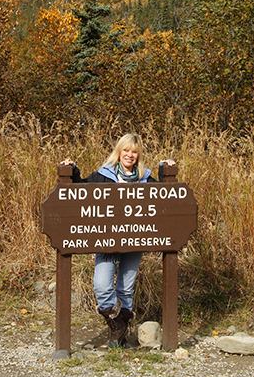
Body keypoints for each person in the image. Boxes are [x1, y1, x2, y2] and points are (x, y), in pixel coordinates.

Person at [60, 133, 175, 348]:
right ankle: (117, 322)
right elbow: (80, 189)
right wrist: (72, 170)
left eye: (134, 152)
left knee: (125, 289)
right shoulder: (104, 175)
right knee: (102, 287)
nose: (130, 155)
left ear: (138, 155)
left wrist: (164, 169)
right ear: (119, 152)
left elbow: (164, 196)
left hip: (134, 241)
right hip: (105, 242)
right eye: (126, 150)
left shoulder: (144, 177)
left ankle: (119, 336)